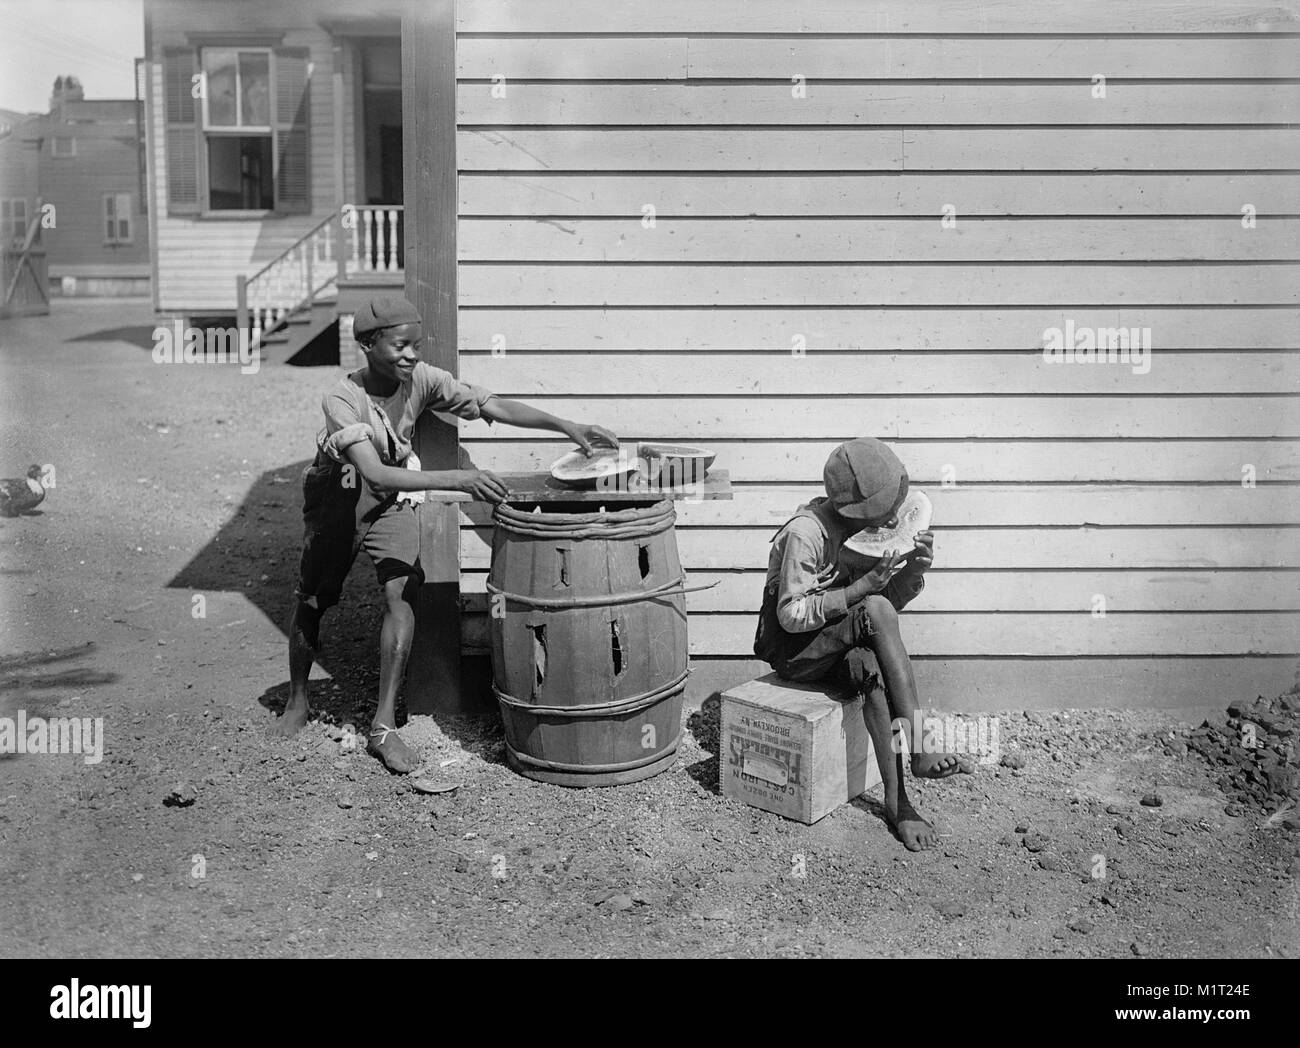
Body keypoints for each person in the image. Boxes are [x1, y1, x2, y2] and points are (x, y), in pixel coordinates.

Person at [278, 295, 618, 772]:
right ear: (367, 344)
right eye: (400, 346)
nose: (411, 355)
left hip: (390, 503)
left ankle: (382, 727)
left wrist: (565, 425)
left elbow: (489, 404)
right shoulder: (342, 398)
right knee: (314, 599)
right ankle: (297, 697)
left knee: (402, 591)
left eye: (416, 345)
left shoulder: (420, 380)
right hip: (340, 498)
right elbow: (374, 473)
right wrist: (459, 480)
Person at [754, 437, 972, 850]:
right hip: (792, 651)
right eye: (888, 509)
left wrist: (913, 572)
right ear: (857, 509)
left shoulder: (861, 531)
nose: (894, 519)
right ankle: (922, 744)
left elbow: (883, 612)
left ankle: (898, 803)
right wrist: (861, 591)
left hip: (835, 639)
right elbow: (790, 615)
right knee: (871, 606)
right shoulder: (807, 533)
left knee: (868, 666)